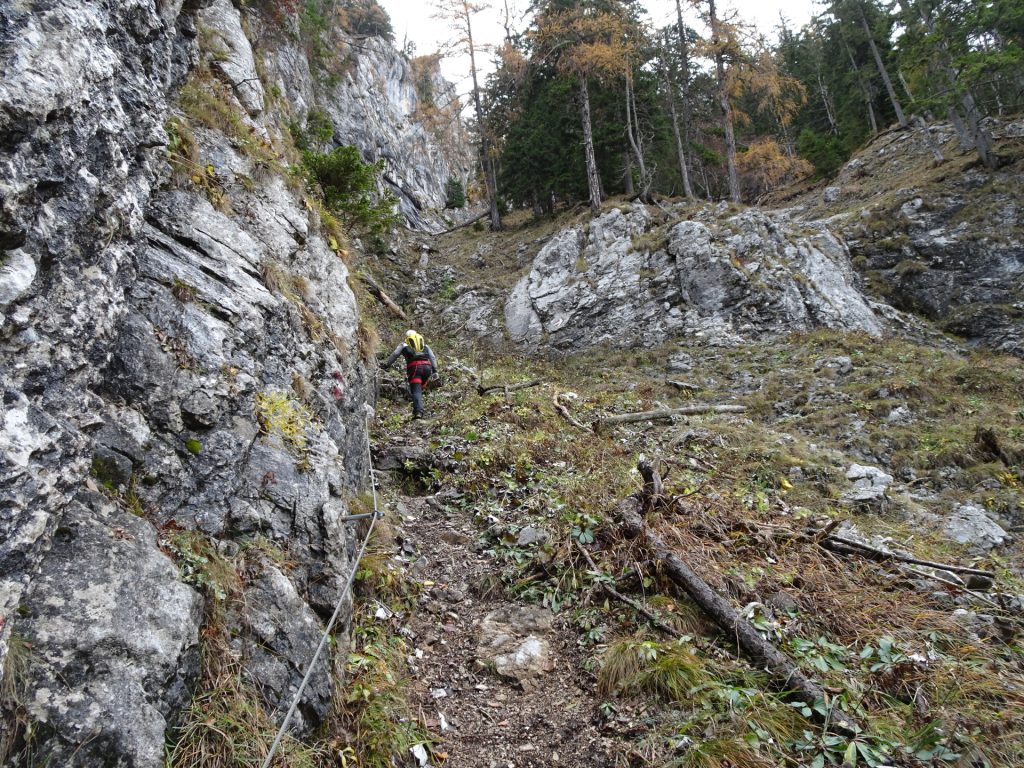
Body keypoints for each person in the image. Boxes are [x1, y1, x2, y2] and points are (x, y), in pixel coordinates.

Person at [380, 329, 438, 419]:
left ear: (407, 337)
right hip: (427, 368)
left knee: (416, 390)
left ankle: (418, 411)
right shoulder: (424, 345)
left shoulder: (404, 345)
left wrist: (387, 365)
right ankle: (418, 408)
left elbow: (395, 354)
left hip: (415, 368)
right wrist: (435, 371)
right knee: (419, 389)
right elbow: (433, 357)